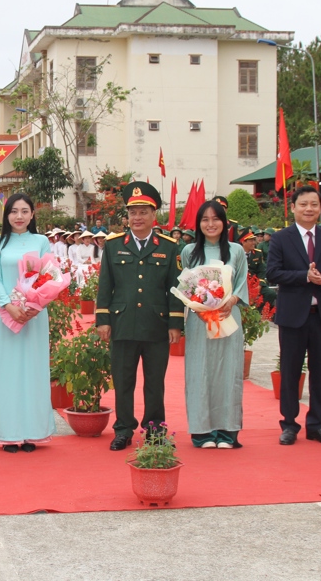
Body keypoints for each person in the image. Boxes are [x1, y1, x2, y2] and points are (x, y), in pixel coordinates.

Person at [95, 182, 184, 451]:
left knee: (154, 383)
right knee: (123, 381)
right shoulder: (113, 246)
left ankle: (155, 429)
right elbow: (105, 285)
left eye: (143, 212)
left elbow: (175, 288)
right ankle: (123, 429)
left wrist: (175, 323)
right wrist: (103, 319)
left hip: (156, 325)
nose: (137, 218)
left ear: (153, 215)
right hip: (122, 323)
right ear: (127, 216)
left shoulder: (169, 248)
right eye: (133, 212)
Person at [266, 186, 321, 446]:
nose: (309, 209)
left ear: (320, 208)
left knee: (320, 371)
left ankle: (317, 424)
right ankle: (289, 424)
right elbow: (273, 273)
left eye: (314, 204)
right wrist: (303, 276)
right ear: (293, 207)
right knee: (290, 371)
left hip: (320, 315)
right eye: (303, 204)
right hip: (292, 315)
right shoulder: (280, 238)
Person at [0, 193, 55, 452]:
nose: (19, 216)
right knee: (8, 373)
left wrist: (34, 307)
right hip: (6, 316)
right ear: (6, 215)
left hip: (35, 317)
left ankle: (32, 433)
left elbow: (49, 276)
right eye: (14, 211)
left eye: (24, 211)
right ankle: (9, 433)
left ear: (32, 215)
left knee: (34, 372)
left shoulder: (41, 241)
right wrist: (8, 306)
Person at [181, 201, 249, 448]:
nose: (211, 224)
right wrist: (197, 306)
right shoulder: (189, 251)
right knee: (200, 371)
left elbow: (241, 281)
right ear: (198, 224)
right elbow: (186, 286)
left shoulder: (236, 251)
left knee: (228, 371)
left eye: (216, 219)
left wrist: (231, 300)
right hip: (200, 322)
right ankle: (202, 431)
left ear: (225, 222)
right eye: (205, 220)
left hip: (228, 318)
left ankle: (227, 431)